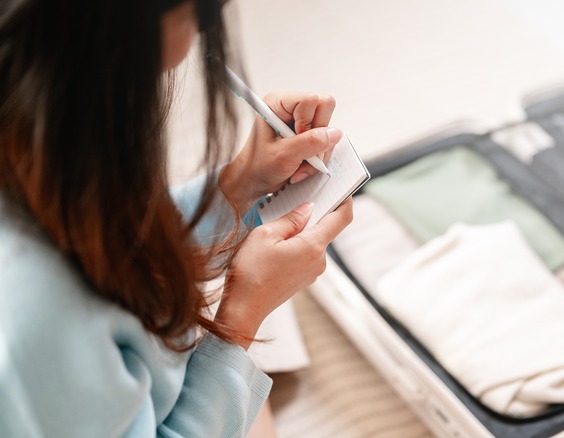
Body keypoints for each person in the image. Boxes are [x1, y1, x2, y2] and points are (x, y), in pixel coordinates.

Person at [0, 0, 353, 436]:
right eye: (198, 15)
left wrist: (240, 182)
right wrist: (240, 318)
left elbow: (120, 236)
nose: (198, 35)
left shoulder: (40, 123)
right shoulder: (36, 319)